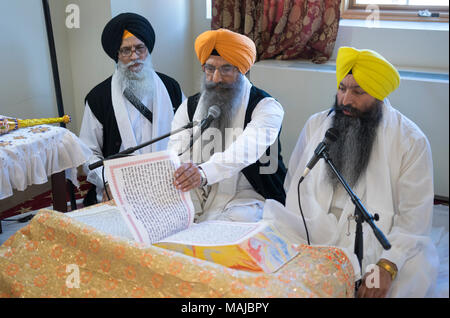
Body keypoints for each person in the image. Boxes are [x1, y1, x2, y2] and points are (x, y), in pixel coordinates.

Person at [283, 47, 439, 297]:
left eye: (358, 92)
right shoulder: (316, 124)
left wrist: (386, 266)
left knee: (412, 274)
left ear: (378, 95)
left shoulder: (411, 141)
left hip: (381, 238)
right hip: (316, 231)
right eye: (342, 88)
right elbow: (294, 183)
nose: (345, 100)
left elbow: (414, 221)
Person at [169, 29, 287, 223]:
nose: (216, 78)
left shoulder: (266, 107)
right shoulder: (189, 107)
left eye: (226, 69)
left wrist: (203, 173)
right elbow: (177, 151)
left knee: (233, 221)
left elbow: (245, 150)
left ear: (243, 71)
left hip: (249, 196)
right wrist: (187, 175)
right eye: (210, 68)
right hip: (199, 193)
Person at [79, 13, 185, 204]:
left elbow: (188, 136)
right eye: (125, 51)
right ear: (116, 55)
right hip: (121, 186)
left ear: (148, 50)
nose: (134, 56)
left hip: (169, 180)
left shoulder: (171, 88)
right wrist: (108, 181)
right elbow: (88, 152)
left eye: (139, 48)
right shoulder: (98, 97)